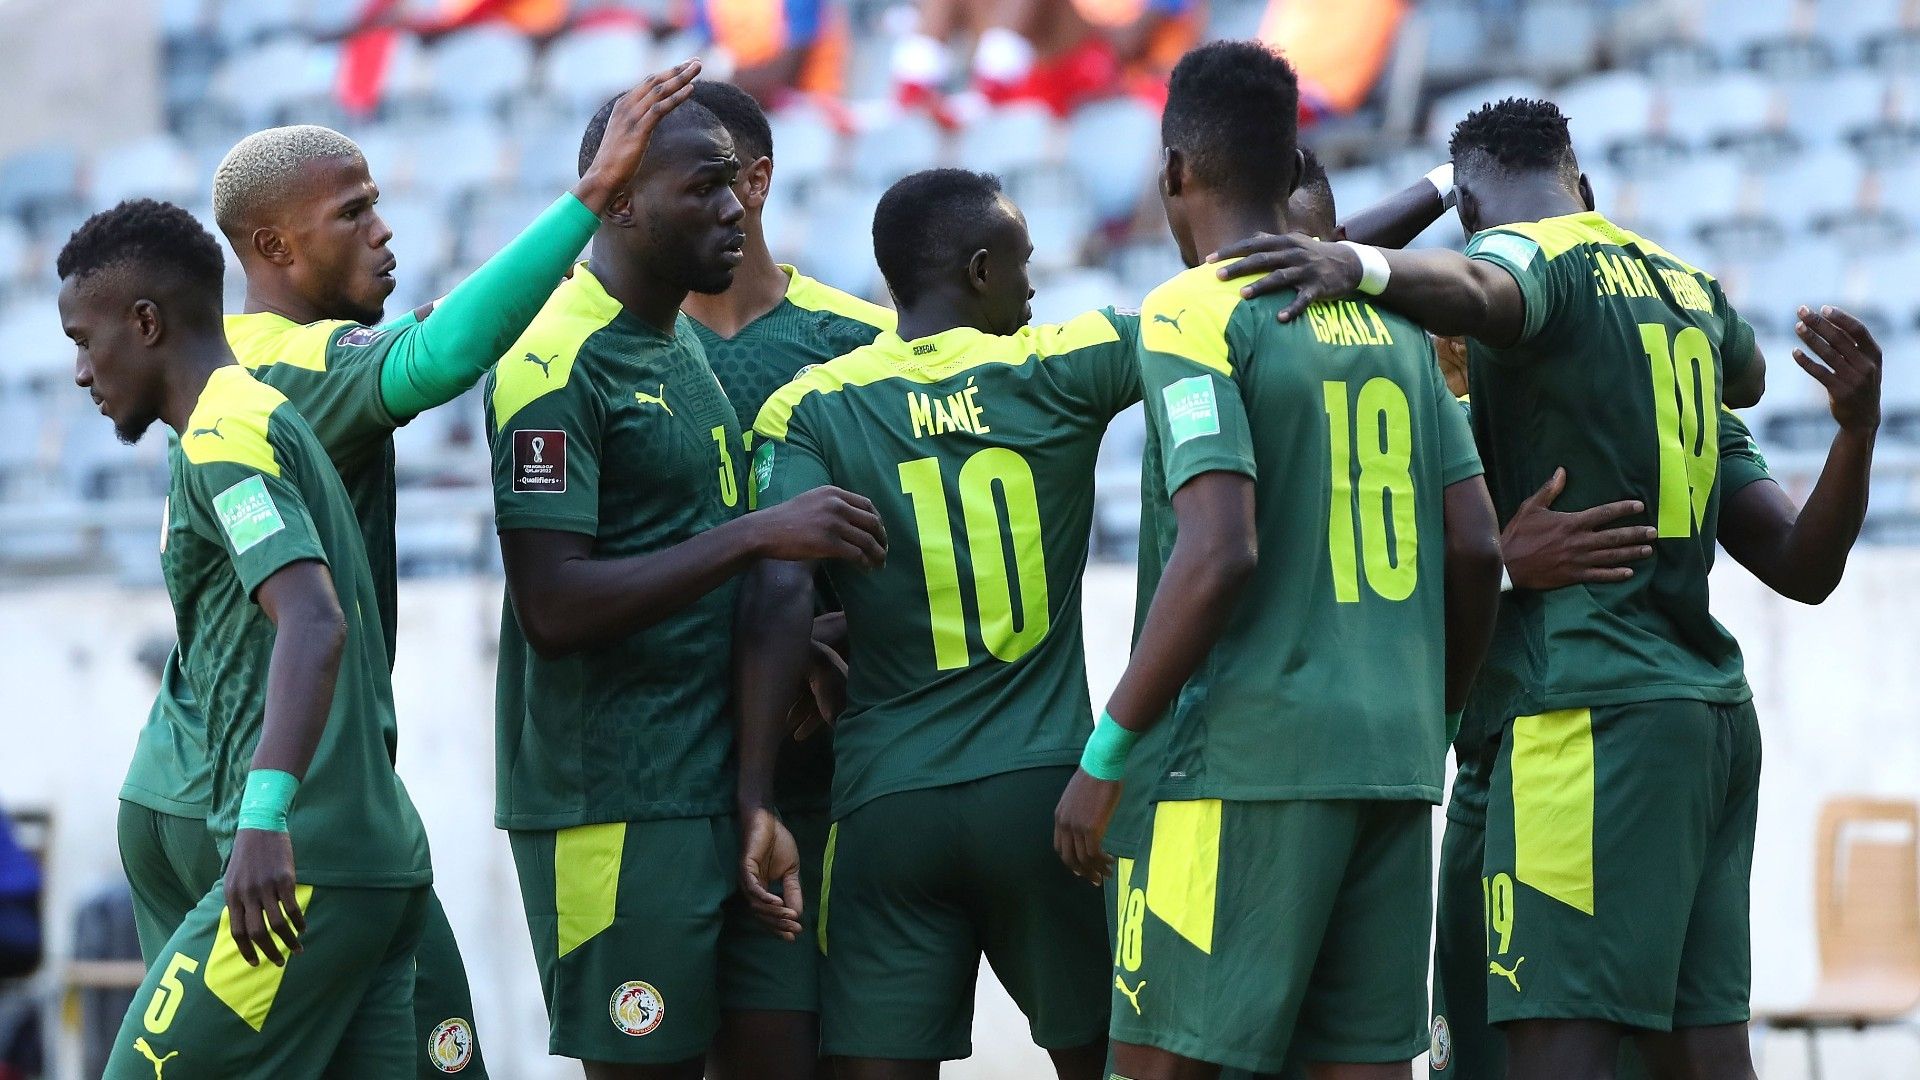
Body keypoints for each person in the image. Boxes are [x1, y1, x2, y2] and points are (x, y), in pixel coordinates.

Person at [113, 61, 705, 1079]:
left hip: (233, 792)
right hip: (262, 807)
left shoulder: (271, 357)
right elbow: (432, 362)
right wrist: (588, 201)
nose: (383, 228)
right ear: (273, 246)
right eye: (353, 213)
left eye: (379, 204)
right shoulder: (283, 369)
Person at [1212, 97, 1771, 1078]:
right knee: (1541, 1037)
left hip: (1567, 715)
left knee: (1550, 1038)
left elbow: (1398, 271)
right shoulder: (1649, 315)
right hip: (1541, 731)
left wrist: (1502, 556)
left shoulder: (1524, 314)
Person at [1051, 41, 1502, 1079]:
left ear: (1173, 170)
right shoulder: (1389, 320)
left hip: (1237, 766)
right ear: (1289, 158)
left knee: (1165, 1058)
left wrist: (1104, 758)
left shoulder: (1191, 309)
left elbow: (1219, 553)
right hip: (1390, 760)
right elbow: (1476, 544)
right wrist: (1432, 713)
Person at [484, 92, 886, 1080]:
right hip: (612, 808)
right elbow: (555, 608)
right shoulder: (553, 359)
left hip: (722, 793)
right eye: (701, 187)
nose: (734, 211)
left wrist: (758, 786)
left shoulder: (680, 352)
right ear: (619, 203)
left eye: (736, 184)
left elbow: (702, 568)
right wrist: (758, 537)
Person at [733, 166, 1142, 1080]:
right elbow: (1225, 300)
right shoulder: (1060, 363)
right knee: (1115, 1062)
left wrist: (755, 792)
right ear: (982, 268)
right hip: (1045, 796)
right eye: (1025, 267)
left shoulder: (810, 406)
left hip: (889, 803)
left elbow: (780, 592)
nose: (1036, 290)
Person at [66, 199, 432, 1078]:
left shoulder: (226, 434)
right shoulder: (247, 414)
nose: (80, 371)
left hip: (299, 869)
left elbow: (312, 620)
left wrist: (264, 820)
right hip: (369, 862)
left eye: (86, 339)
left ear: (146, 323)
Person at [674, 77, 896, 1078]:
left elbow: (920, 557)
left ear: (754, 182)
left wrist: (828, 641)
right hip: (676, 769)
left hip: (833, 773)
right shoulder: (619, 351)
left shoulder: (861, 342)